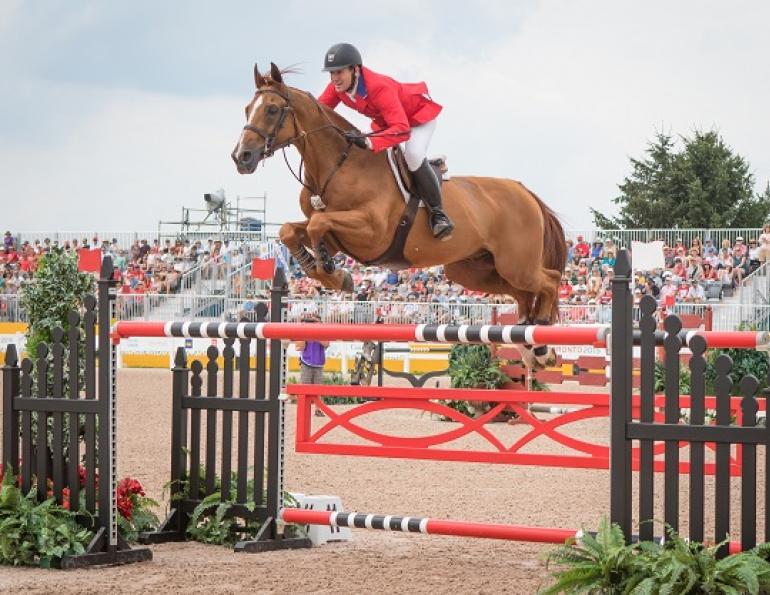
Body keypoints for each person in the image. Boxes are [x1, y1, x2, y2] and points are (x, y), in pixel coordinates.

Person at [318, 42, 454, 240]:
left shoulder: (378, 87)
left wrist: (370, 142)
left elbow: (401, 130)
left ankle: (439, 215)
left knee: (413, 154)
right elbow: (318, 111)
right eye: (331, 73)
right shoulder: (337, 87)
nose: (335, 78)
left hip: (416, 119)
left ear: (355, 70)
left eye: (339, 72)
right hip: (389, 123)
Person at [295, 313, 330, 417]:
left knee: (318, 389)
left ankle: (318, 409)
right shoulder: (305, 329)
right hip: (306, 361)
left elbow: (326, 344)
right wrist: (303, 323)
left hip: (318, 363)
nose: (313, 323)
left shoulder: (323, 332)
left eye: (315, 322)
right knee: (304, 388)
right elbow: (300, 345)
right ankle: (303, 409)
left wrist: (316, 334)